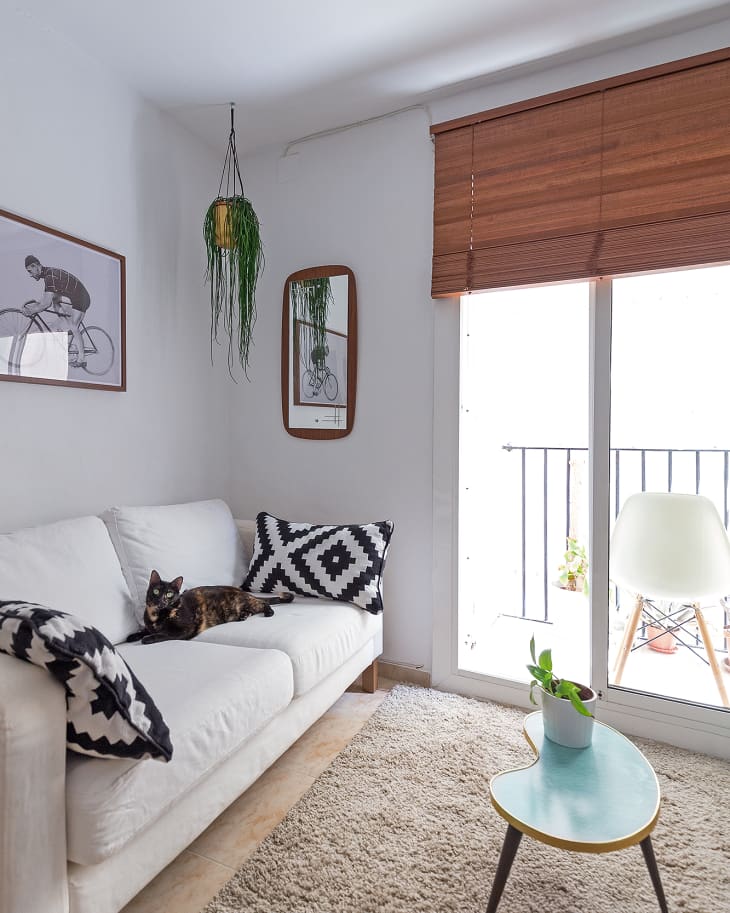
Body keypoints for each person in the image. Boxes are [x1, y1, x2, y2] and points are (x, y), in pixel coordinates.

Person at [23, 255, 91, 368]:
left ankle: (82, 359)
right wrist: (31, 306)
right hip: (75, 295)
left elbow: (45, 304)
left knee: (74, 326)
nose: (30, 275)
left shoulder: (50, 277)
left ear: (35, 266)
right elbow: (44, 300)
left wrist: (31, 311)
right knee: (56, 302)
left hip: (81, 298)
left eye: (30, 271)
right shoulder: (48, 275)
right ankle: (66, 329)